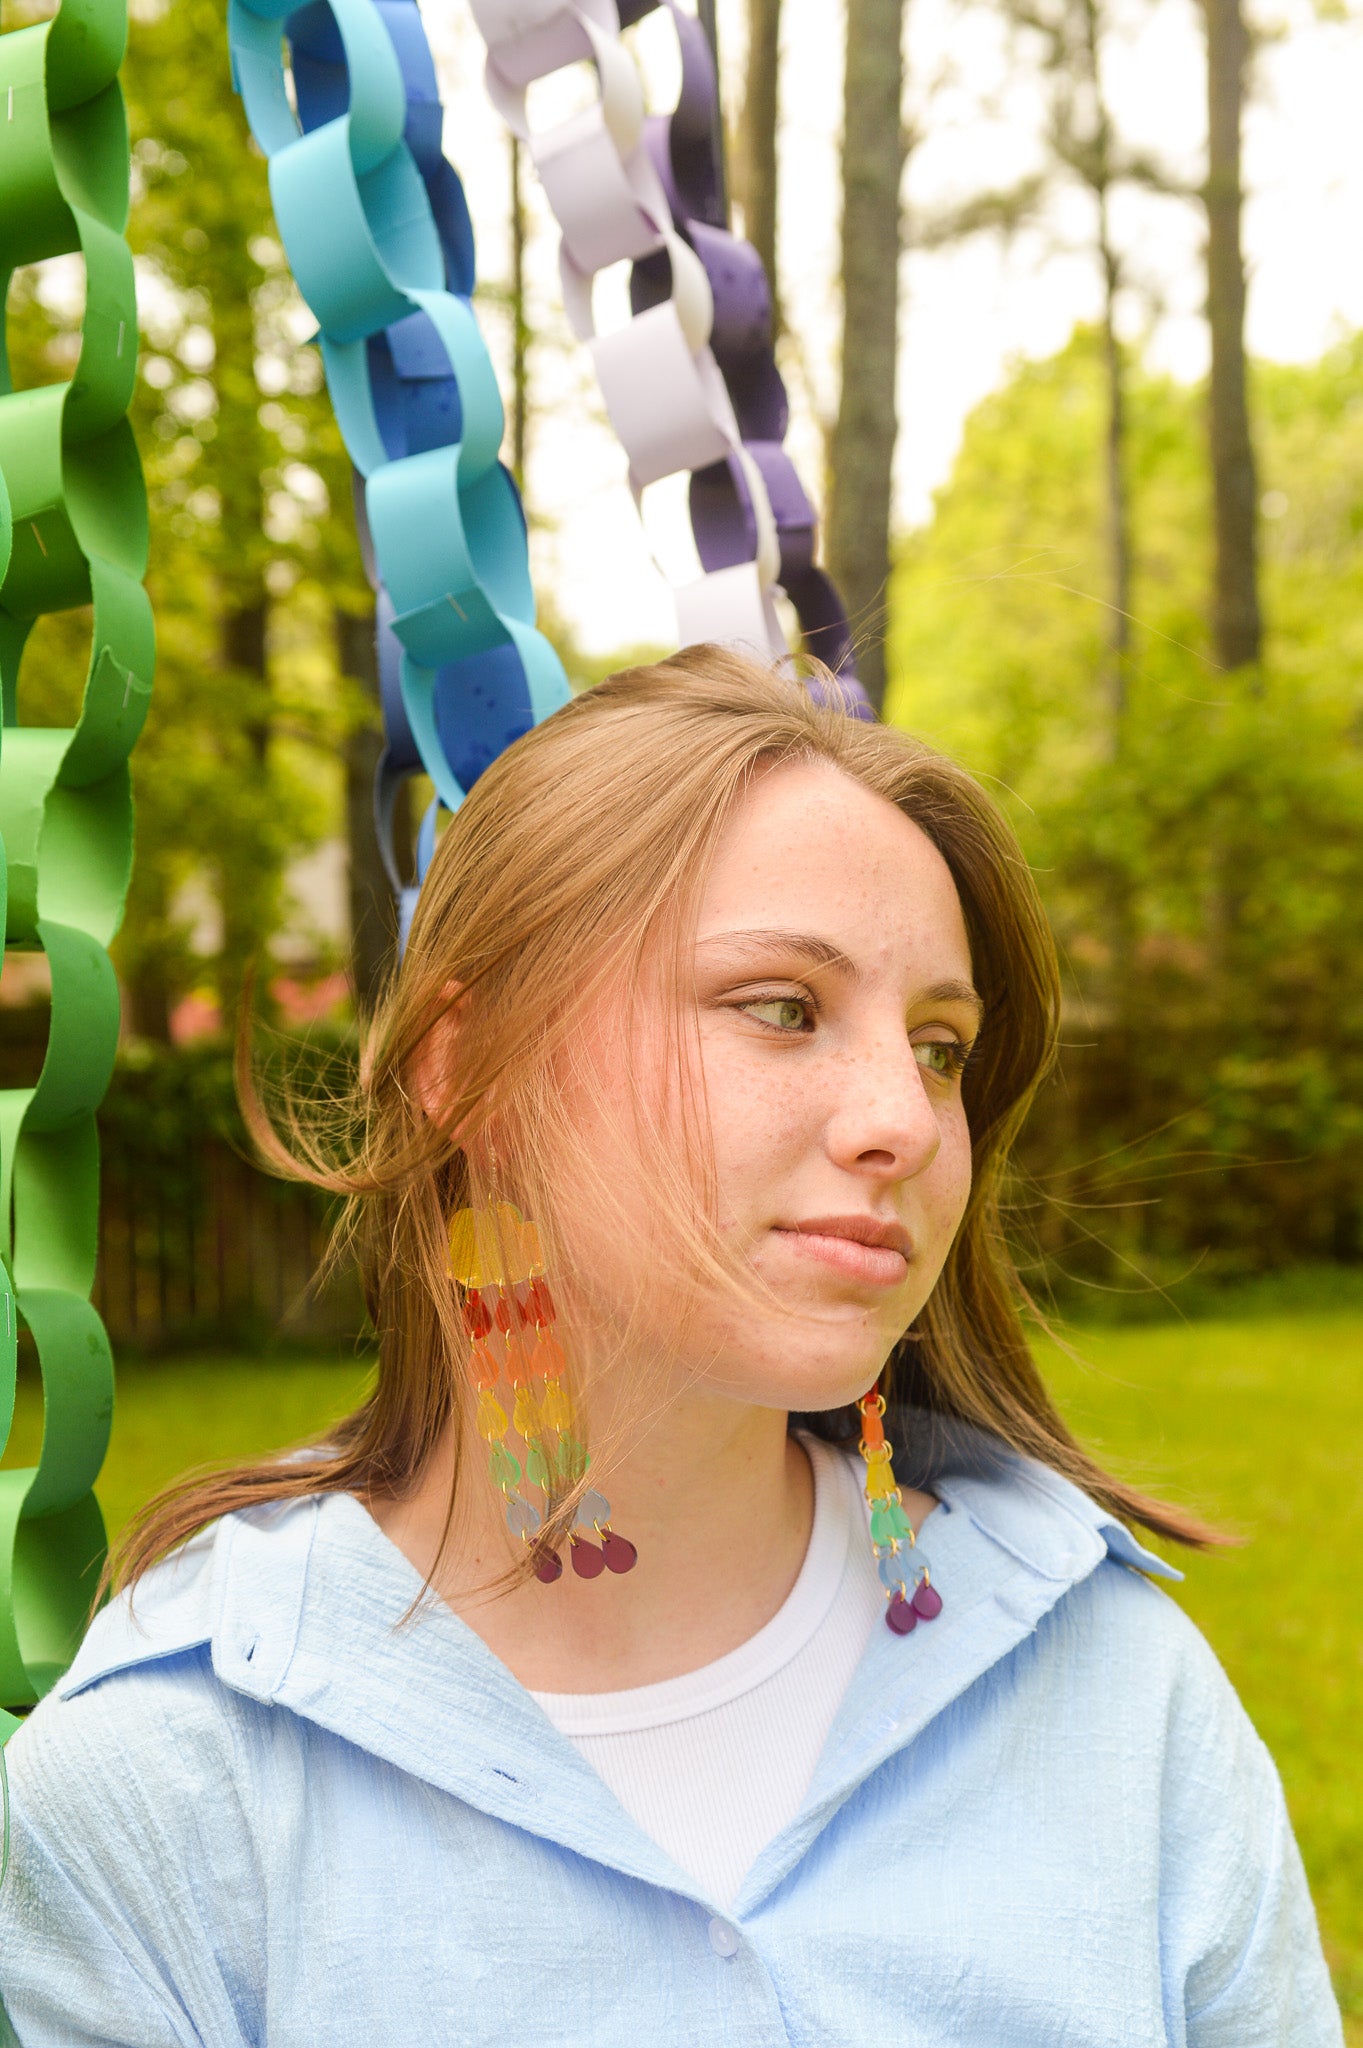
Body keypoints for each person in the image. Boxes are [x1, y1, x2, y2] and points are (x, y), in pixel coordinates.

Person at [0, 649, 1342, 2045]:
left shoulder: (1122, 1695)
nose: (906, 1116)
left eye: (942, 1044)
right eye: (780, 1007)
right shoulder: (166, 1787)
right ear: (470, 1071)